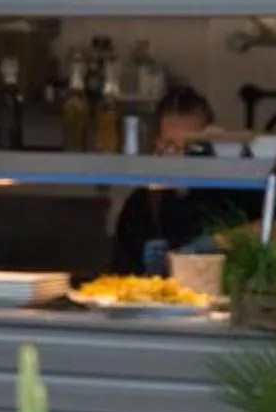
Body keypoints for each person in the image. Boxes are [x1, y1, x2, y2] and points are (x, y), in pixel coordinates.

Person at [110, 84, 264, 271]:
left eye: (193, 146)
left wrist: (218, 242)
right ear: (157, 145)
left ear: (210, 144)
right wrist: (150, 273)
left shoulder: (234, 185)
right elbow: (120, 279)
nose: (182, 156)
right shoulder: (141, 204)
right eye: (171, 146)